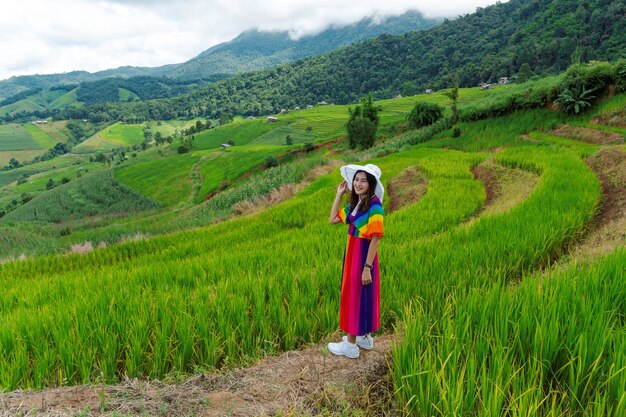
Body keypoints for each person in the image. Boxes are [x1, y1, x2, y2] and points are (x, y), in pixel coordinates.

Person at [328, 163, 384, 358]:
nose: (358, 183)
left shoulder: (375, 205)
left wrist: (367, 267)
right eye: (356, 179)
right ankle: (363, 337)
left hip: (362, 255)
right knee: (363, 294)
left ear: (371, 184)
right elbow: (333, 219)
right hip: (353, 252)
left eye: (363, 180)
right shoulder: (357, 204)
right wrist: (339, 194)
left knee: (355, 295)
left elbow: (376, 238)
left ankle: (350, 346)